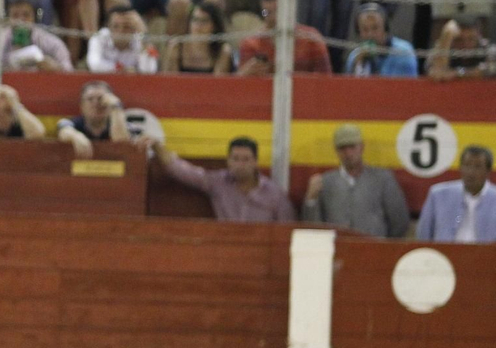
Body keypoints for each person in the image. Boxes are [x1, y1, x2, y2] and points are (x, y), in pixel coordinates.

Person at [144, 135, 296, 222]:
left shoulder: (275, 194)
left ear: (255, 162)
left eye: (246, 159)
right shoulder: (218, 182)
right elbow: (182, 170)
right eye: (235, 159)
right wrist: (157, 147)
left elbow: (287, 229)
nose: (240, 164)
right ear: (228, 161)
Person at [300, 124, 409, 238]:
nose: (348, 153)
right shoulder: (325, 182)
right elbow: (313, 227)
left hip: (372, 250)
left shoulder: (382, 179)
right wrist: (311, 199)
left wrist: (381, 245)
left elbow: (399, 222)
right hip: (337, 250)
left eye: (352, 147)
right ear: (336, 151)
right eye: (342, 148)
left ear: (361, 147)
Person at [0, 0, 72, 70]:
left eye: (26, 15)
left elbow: (69, 73)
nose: (21, 20)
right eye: (15, 15)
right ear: (8, 19)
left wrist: (54, 67)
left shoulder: (52, 43)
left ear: (35, 17)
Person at [236, 0, 332, 76]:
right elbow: (238, 85)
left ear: (290, 8)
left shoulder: (312, 39)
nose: (274, 18)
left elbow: (325, 80)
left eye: (279, 11)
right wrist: (246, 73)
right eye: (266, 12)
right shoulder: (251, 44)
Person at [416, 145, 496, 242]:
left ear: (488, 171)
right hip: (445, 255)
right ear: (460, 168)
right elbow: (423, 235)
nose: (471, 172)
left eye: (477, 167)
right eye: (467, 165)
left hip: (487, 256)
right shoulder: (439, 195)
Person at [345, 2, 418, 77]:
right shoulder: (355, 56)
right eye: (365, 29)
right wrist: (357, 65)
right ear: (358, 32)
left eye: (375, 28)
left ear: (385, 28)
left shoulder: (403, 52)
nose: (370, 35)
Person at [163, 2, 232, 74]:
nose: (198, 26)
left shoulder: (222, 50)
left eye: (204, 21)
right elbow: (169, 81)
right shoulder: (177, 46)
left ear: (214, 26)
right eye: (195, 19)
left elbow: (219, 82)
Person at [86, 4, 158, 73]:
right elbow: (94, 64)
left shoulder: (141, 39)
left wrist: (143, 34)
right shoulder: (99, 37)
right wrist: (121, 69)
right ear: (108, 27)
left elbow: (150, 70)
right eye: (115, 26)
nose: (120, 31)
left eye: (126, 26)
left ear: (134, 29)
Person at [57, 80, 130, 145]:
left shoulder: (123, 124)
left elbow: (121, 144)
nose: (96, 104)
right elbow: (64, 131)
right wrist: (75, 136)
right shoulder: (71, 123)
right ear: (82, 105)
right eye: (90, 99)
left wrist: (116, 106)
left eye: (101, 99)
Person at [426, 19, 496, 81]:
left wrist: (457, 73)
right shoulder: (444, 45)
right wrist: (447, 35)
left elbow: (490, 69)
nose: (465, 44)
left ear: (479, 38)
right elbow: (436, 73)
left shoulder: (488, 48)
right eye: (459, 40)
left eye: (471, 39)